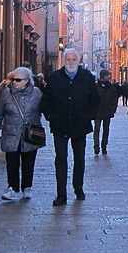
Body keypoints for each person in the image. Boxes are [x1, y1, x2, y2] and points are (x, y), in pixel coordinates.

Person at [41, 48, 99, 206]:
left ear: (78, 61)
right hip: (60, 125)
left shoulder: (86, 77)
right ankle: (61, 194)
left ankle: (78, 189)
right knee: (60, 159)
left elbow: (94, 99)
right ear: (64, 61)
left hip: (80, 125)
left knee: (79, 158)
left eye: (74, 60)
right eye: (68, 60)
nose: (71, 63)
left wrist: (89, 116)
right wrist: (51, 117)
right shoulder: (55, 78)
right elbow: (46, 101)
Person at [0, 67, 44, 201]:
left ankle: (27, 187)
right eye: (13, 79)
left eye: (18, 80)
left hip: (29, 134)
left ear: (26, 81)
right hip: (11, 134)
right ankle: (12, 188)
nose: (14, 82)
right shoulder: (6, 94)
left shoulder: (37, 94)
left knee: (28, 161)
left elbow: (45, 110)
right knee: (11, 162)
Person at [93, 69, 120, 155]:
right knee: (96, 129)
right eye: (107, 75)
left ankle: (104, 146)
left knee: (106, 129)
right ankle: (96, 146)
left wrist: (113, 108)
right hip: (97, 111)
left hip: (107, 110)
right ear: (102, 76)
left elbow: (115, 98)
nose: (108, 77)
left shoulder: (111, 87)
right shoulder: (95, 86)